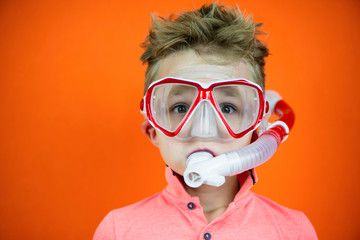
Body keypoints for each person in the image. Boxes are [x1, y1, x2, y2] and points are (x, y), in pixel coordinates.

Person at [93, 2, 317, 239]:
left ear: (258, 126)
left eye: (227, 107)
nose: (203, 129)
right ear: (152, 128)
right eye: (181, 107)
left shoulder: (292, 230)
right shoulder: (118, 230)